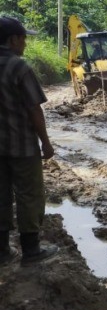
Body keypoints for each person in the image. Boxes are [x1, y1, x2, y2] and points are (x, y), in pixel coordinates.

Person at [0, 16, 59, 266]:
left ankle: (2, 251)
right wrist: (45, 142)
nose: (25, 43)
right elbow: (34, 109)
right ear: (13, 40)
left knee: (0, 196)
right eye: (23, 38)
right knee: (30, 195)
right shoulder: (19, 67)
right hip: (22, 145)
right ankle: (31, 250)